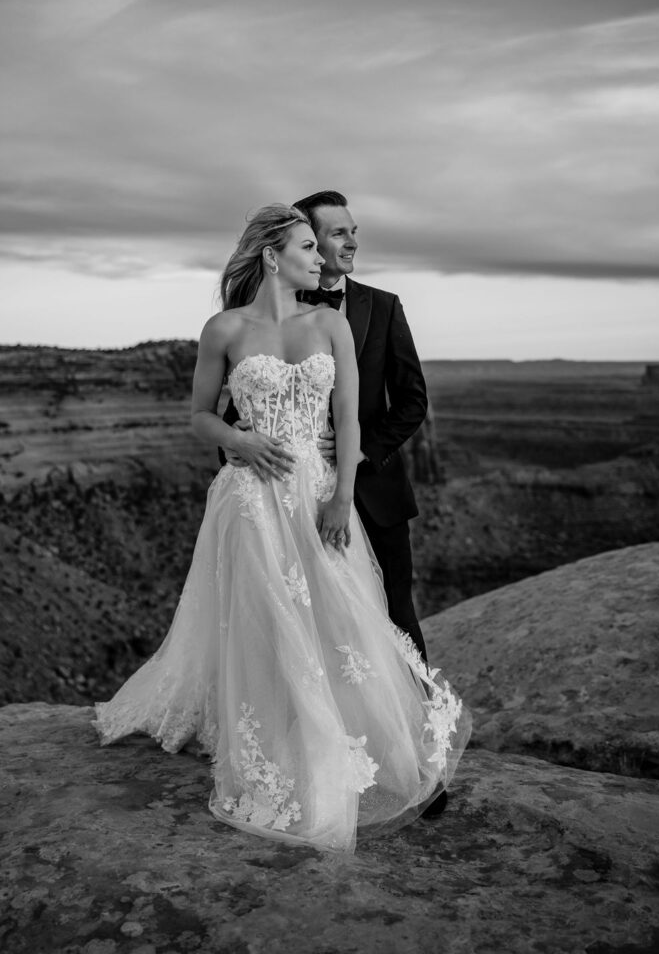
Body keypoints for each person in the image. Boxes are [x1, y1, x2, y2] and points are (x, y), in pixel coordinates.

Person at [94, 204, 470, 853]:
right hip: (249, 499)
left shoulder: (331, 324)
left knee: (342, 620)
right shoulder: (224, 328)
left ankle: (361, 744)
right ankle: (281, 744)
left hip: (321, 493)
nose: (320, 258)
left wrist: (340, 497)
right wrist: (239, 440)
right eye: (307, 247)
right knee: (266, 623)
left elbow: (349, 421)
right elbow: (198, 417)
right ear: (273, 254)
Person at [221, 190, 430, 665]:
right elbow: (244, 402)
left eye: (353, 231)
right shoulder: (252, 316)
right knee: (293, 617)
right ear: (304, 243)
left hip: (374, 494)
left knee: (395, 612)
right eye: (338, 234)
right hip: (284, 493)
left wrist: (360, 450)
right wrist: (236, 446)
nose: (352, 242)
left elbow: (413, 400)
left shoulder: (384, 306)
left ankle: (415, 726)